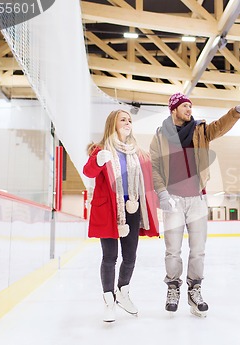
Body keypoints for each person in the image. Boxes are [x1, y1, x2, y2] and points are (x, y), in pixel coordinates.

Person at [150, 93, 240, 317]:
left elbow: (219, 127)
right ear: (174, 109)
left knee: (198, 250)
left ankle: (195, 290)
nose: (189, 109)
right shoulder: (160, 135)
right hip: (173, 200)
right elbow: (155, 168)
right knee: (172, 251)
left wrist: (235, 111)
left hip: (197, 198)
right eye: (185, 106)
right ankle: (173, 288)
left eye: (190, 106)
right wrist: (162, 194)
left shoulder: (199, 130)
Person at [83, 109, 159, 322]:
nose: (128, 122)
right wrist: (98, 161)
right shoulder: (100, 150)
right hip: (108, 209)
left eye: (130, 120)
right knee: (109, 257)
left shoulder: (138, 152)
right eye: (123, 119)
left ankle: (122, 292)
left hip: (132, 207)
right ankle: (108, 300)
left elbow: (152, 178)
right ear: (112, 124)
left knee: (130, 256)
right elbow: (88, 172)